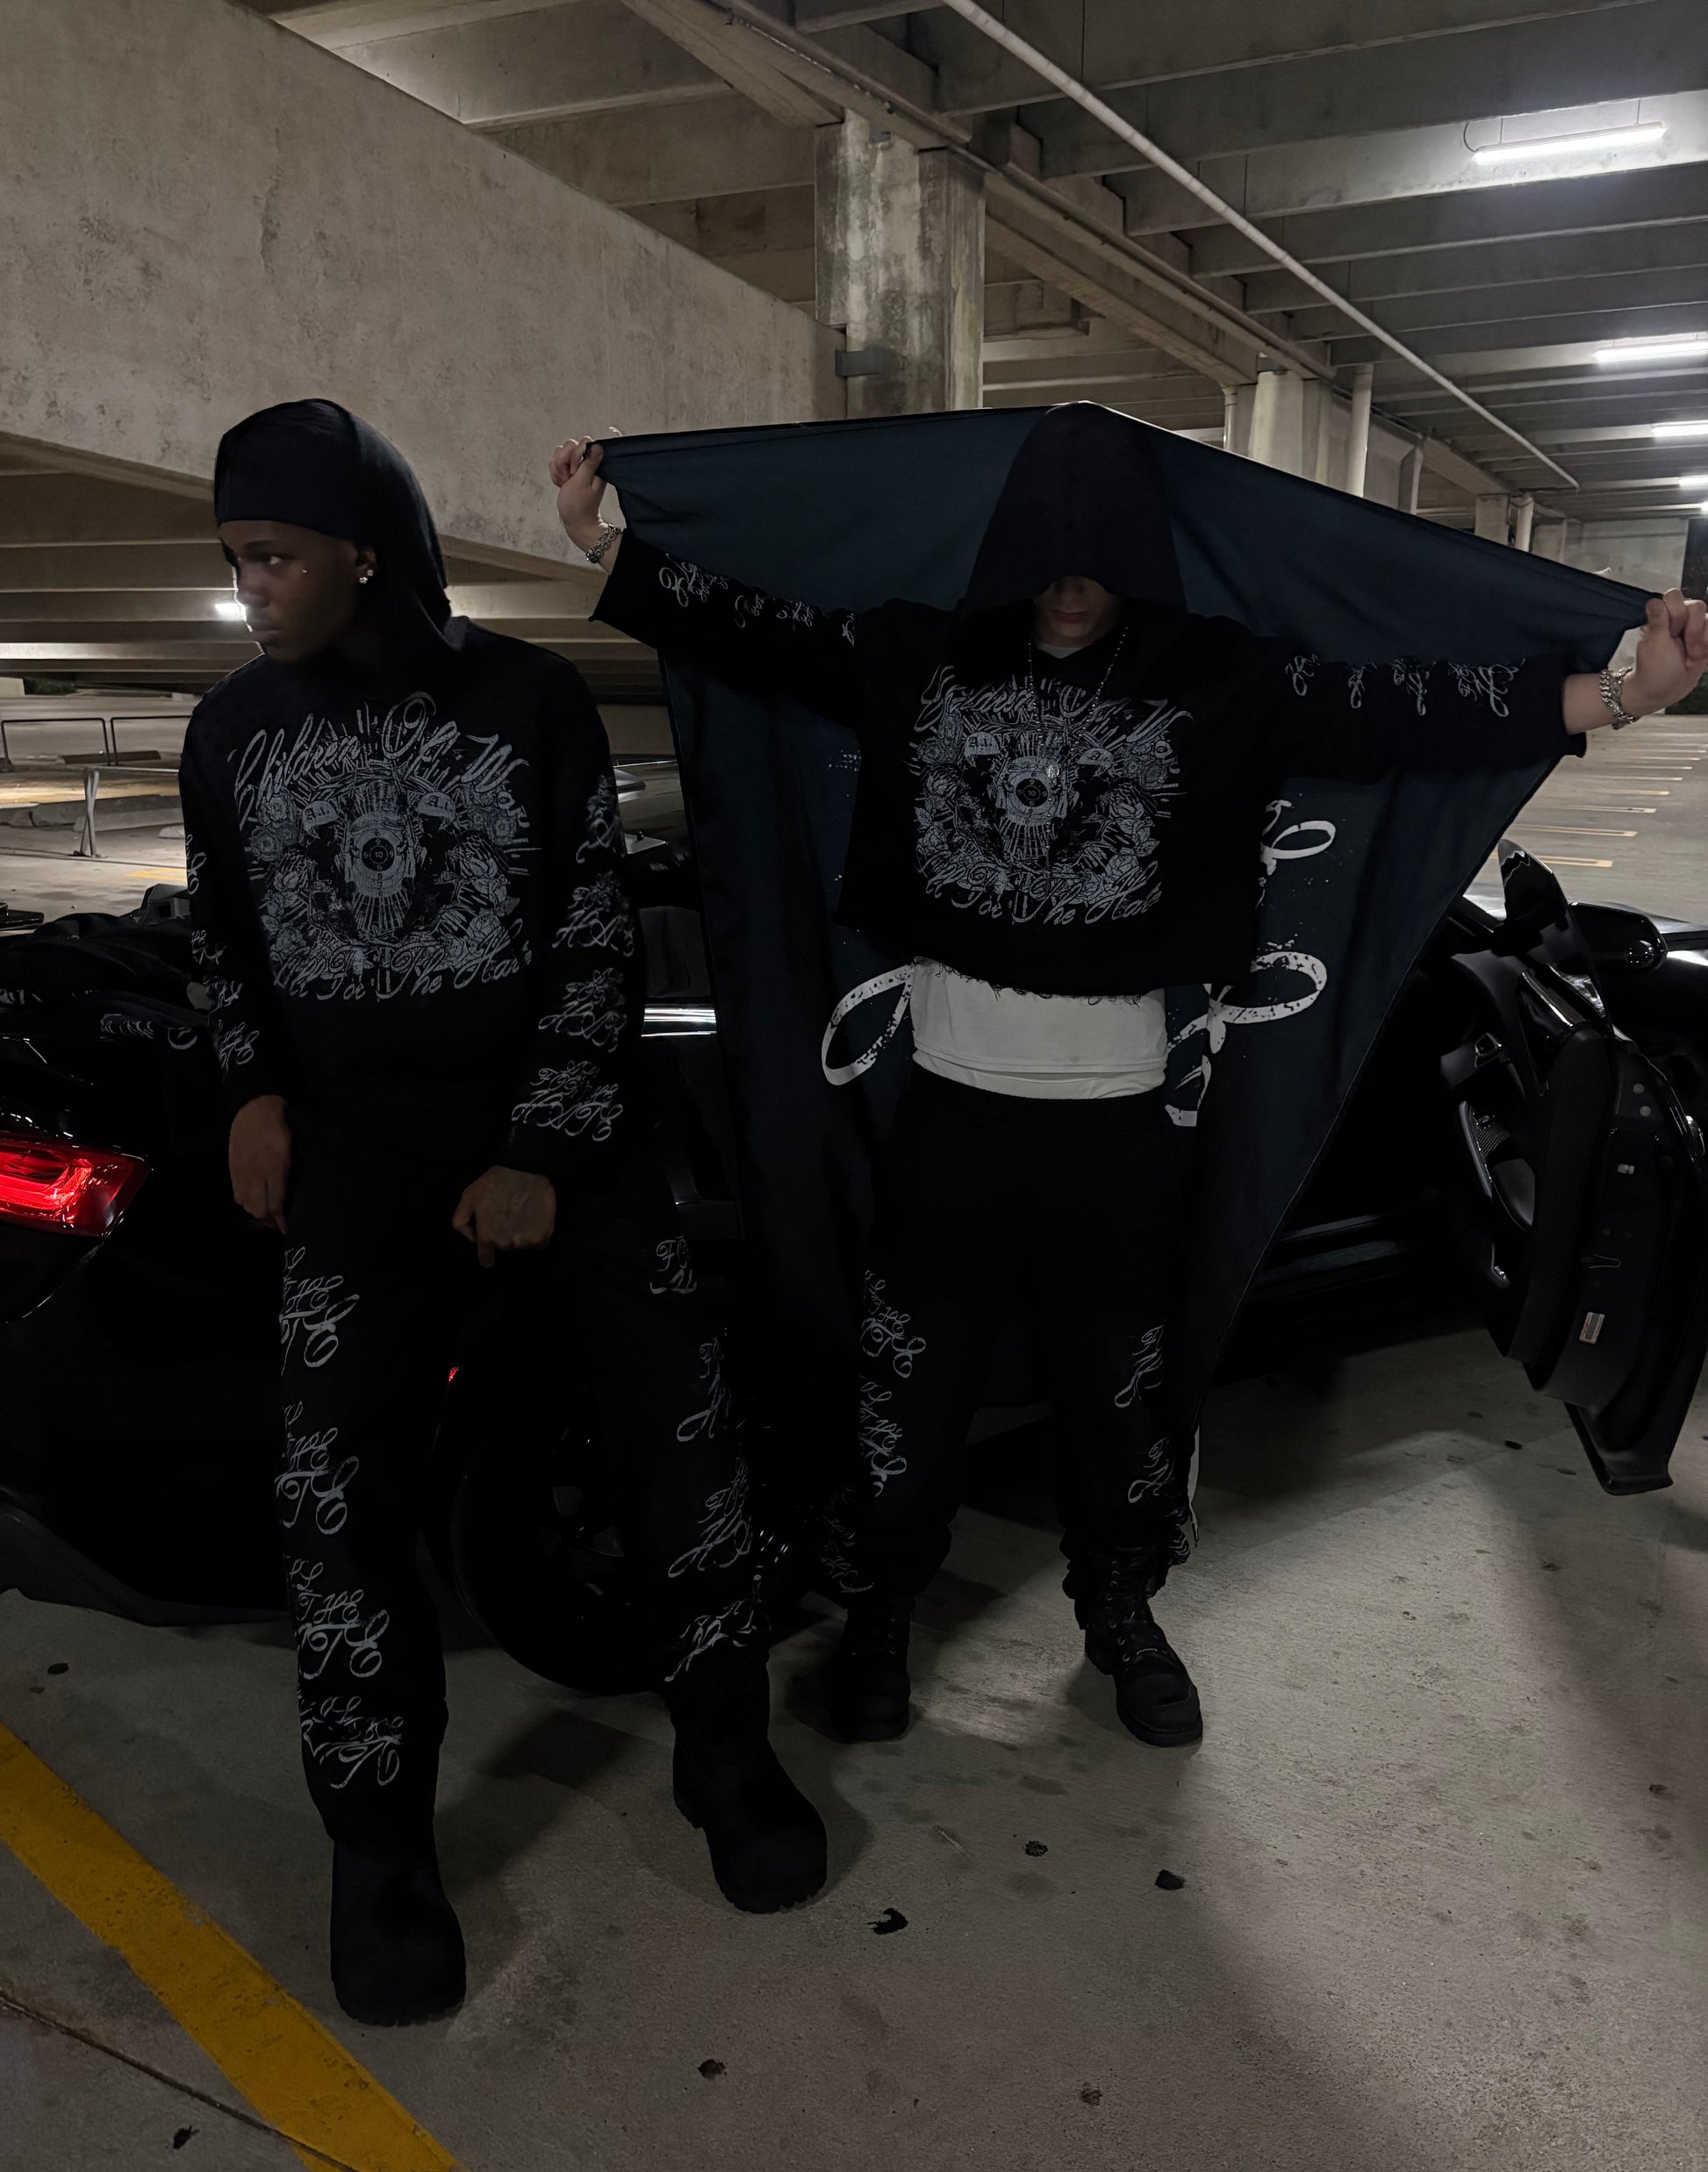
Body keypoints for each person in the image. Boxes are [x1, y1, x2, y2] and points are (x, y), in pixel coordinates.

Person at [551, 412, 1708, 1754]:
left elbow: (1404, 711)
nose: (1068, 587)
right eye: (1046, 561)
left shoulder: (1215, 678)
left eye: (1095, 560)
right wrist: (607, 548)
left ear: (1138, 558)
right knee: (907, 1393)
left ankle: (1118, 1613)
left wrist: (1623, 694)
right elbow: (760, 635)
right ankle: (879, 1619)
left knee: (1120, 1394)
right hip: (948, 1120)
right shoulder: (920, 657)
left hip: (1115, 1128)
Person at [181, 401, 825, 2028]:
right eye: (237, 558)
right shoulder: (231, 728)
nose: (252, 588)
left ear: (364, 552)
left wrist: (540, 1141)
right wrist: (249, 1087)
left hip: (566, 1146)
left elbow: (593, 930)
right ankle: (379, 1848)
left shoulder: (528, 699)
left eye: (275, 557)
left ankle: (724, 1753)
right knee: (339, 1510)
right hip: (357, 1166)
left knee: (681, 1446)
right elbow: (222, 931)